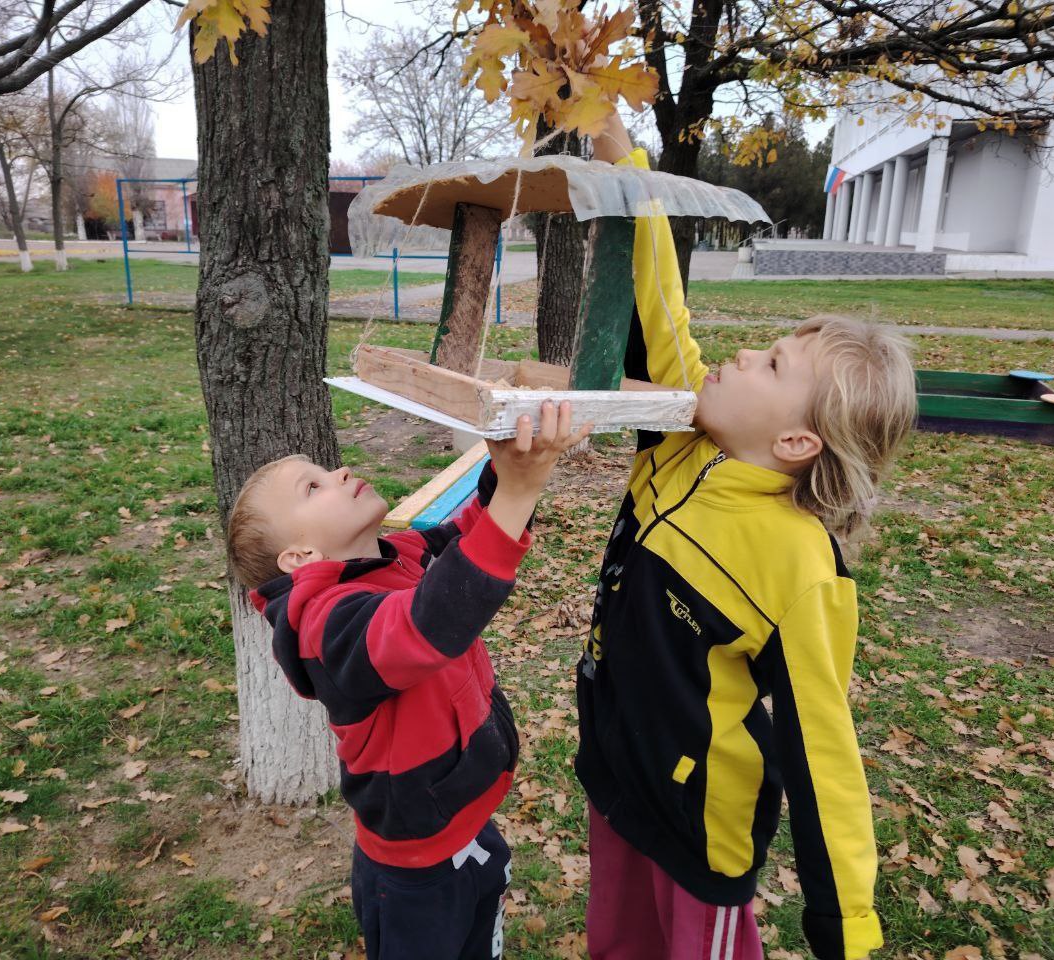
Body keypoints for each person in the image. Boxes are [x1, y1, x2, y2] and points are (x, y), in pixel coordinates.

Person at [576, 111, 917, 960]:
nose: (736, 360)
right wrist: (630, 170)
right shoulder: (685, 434)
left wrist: (848, 926)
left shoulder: (800, 567)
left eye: (770, 366)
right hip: (617, 781)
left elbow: (824, 753)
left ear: (799, 444)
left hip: (701, 835)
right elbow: (663, 312)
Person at [227, 402, 590, 960]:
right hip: (414, 871)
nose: (341, 472)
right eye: (312, 487)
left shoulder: (400, 556)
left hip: (467, 827)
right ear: (300, 557)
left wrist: (505, 469)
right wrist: (519, 491)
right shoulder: (325, 627)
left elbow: (472, 534)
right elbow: (428, 623)